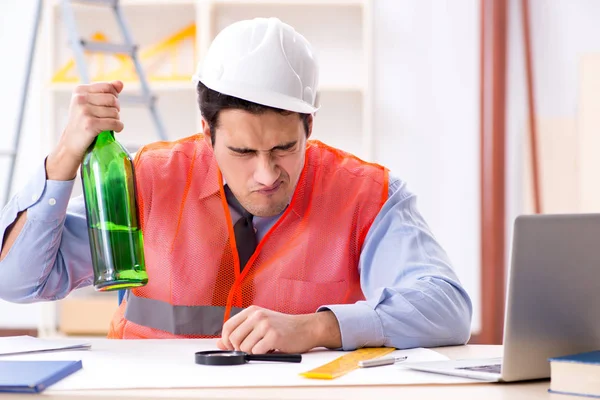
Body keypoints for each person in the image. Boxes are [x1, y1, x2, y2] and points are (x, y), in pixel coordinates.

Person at [0, 17, 472, 354]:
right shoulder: (149, 180)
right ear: (207, 133)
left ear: (309, 124)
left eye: (285, 148)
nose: (266, 175)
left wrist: (319, 327)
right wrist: (62, 161)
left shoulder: (366, 194)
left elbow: (447, 308)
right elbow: (17, 283)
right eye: (243, 153)